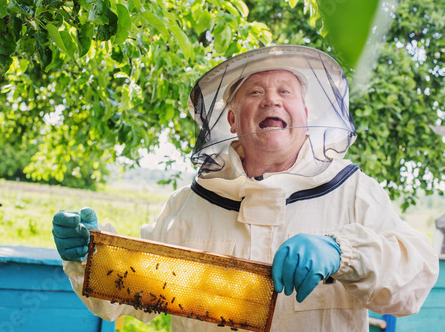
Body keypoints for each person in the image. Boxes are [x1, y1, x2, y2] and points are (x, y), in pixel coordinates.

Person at [53, 45, 439, 331]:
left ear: (305, 115)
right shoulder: (190, 205)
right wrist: (88, 257)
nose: (271, 98)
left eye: (286, 91)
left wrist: (344, 252)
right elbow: (129, 296)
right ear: (233, 120)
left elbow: (415, 280)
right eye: (255, 92)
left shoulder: (352, 191)